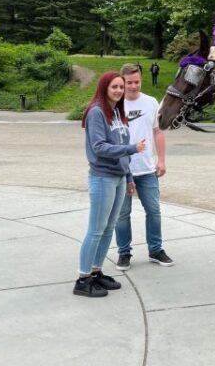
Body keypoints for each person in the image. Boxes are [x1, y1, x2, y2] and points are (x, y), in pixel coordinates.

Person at [75, 72, 146, 298]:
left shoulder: (116, 112)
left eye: (121, 87)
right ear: (104, 87)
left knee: (108, 228)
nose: (118, 91)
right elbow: (99, 147)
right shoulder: (96, 111)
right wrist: (132, 148)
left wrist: (129, 177)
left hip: (118, 177)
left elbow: (121, 147)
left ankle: (96, 272)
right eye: (114, 87)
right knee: (96, 230)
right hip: (102, 177)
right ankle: (82, 279)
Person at [115, 63, 174, 270]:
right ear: (122, 82)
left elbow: (158, 132)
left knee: (154, 210)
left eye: (137, 82)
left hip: (147, 169)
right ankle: (124, 253)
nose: (133, 86)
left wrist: (162, 160)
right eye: (129, 82)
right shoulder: (115, 104)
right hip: (122, 171)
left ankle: (156, 249)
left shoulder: (151, 102)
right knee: (122, 214)